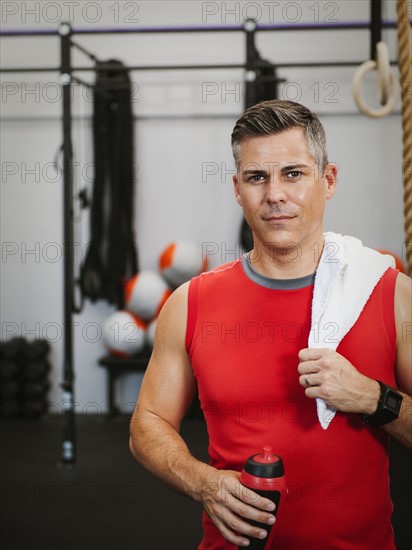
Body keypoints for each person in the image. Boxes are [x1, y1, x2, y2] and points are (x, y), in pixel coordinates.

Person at [129, 100, 412, 549]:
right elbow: (147, 422)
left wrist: (373, 398)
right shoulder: (191, 304)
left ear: (329, 179)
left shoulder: (389, 294)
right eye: (257, 177)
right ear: (237, 189)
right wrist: (204, 482)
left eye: (293, 174)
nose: (275, 194)